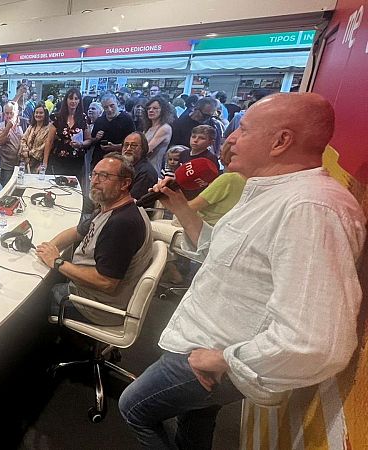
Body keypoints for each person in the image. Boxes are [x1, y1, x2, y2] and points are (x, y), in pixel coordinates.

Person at [118, 93, 365, 449]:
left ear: (281, 141)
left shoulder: (310, 208)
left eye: (244, 130)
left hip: (211, 359)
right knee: (195, 421)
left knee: (134, 408)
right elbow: (223, 253)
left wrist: (223, 360)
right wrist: (181, 206)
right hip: (203, 345)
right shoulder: (269, 194)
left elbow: (317, 341)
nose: (230, 137)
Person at [36, 152, 152, 325]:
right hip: (90, 292)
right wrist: (48, 248)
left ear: (125, 183)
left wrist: (57, 262)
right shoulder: (110, 207)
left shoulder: (121, 223)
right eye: (94, 174)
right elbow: (77, 231)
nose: (95, 181)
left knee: (37, 299)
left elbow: (106, 282)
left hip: (97, 306)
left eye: (104, 176)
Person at [186, 142, 245, 226]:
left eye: (220, 152)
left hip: (206, 227)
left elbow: (189, 208)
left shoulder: (228, 179)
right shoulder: (251, 180)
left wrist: (175, 195)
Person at [43, 88, 92, 183]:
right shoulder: (57, 117)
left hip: (76, 161)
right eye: (71, 98)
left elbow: (89, 140)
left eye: (76, 98)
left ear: (79, 101)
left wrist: (81, 144)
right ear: (66, 100)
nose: (73, 101)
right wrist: (45, 162)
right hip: (58, 160)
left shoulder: (83, 118)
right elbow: (49, 141)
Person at [91, 93, 136, 168]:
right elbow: (91, 141)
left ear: (117, 103)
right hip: (100, 160)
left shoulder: (127, 119)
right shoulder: (99, 121)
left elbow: (133, 142)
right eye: (106, 107)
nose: (109, 109)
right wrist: (96, 138)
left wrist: (116, 147)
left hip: (119, 161)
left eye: (112, 105)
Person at [120, 132, 159, 207]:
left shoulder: (146, 172)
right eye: (126, 145)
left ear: (143, 149)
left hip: (133, 213)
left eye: (133, 146)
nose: (128, 149)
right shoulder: (126, 166)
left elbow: (132, 202)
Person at [143, 96, 175, 174]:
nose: (151, 110)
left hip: (152, 169)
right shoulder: (148, 128)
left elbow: (146, 149)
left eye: (155, 108)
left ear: (163, 111)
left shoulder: (165, 128)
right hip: (142, 166)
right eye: (149, 108)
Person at [0, 101, 23, 186]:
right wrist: (8, 128)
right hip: (7, 167)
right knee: (6, 190)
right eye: (7, 113)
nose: (9, 115)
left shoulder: (20, 125)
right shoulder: (1, 126)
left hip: (18, 165)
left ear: (16, 114)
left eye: (11, 113)